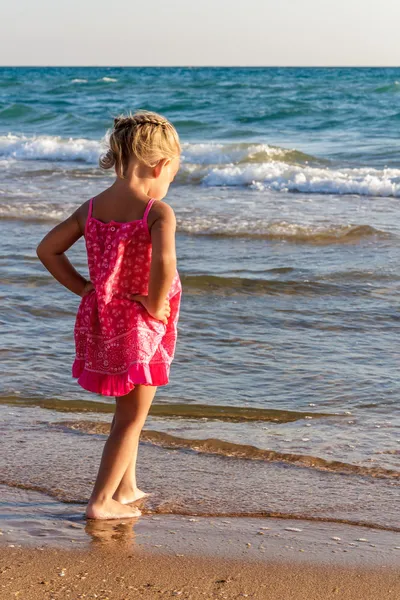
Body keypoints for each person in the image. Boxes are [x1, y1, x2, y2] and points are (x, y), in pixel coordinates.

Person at [36, 110, 182, 520]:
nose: (170, 182)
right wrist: (155, 306)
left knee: (124, 409)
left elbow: (47, 250)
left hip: (103, 322)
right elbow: (164, 266)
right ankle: (101, 502)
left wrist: (83, 287)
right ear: (160, 165)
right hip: (139, 327)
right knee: (132, 419)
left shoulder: (92, 207)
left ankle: (127, 486)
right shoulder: (157, 212)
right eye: (173, 174)